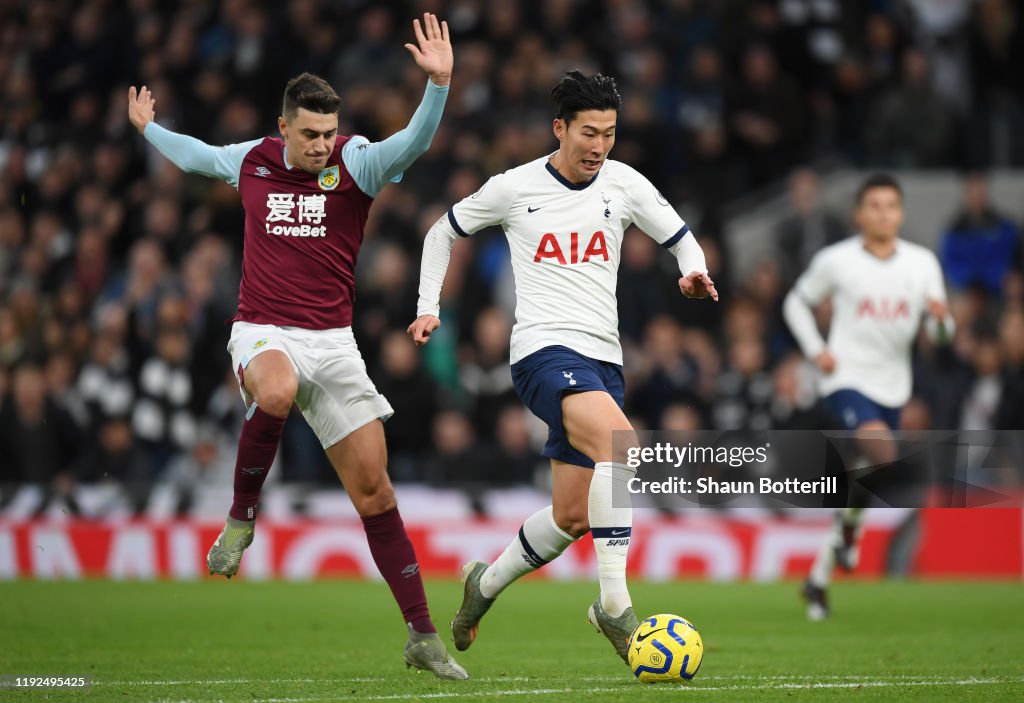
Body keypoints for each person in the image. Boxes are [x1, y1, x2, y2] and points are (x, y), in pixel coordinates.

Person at [127, 13, 467, 679]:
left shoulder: (356, 162)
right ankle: (240, 517)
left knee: (376, 491)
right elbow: (196, 155)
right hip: (263, 330)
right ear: (284, 127)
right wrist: (148, 131)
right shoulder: (250, 160)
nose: (321, 144)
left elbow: (414, 143)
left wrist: (438, 88)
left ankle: (422, 633)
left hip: (334, 343)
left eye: (328, 132)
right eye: (309, 133)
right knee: (276, 390)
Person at [407, 70, 717, 664]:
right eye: (588, 133)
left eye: (609, 133)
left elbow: (681, 237)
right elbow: (440, 233)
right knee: (621, 443)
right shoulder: (514, 187)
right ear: (560, 129)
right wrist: (428, 307)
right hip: (542, 353)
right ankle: (615, 606)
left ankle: (484, 585)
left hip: (604, 360)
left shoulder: (623, 183)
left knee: (574, 514)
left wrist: (691, 271)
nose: (599, 146)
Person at [783, 173, 954, 620]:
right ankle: (848, 537)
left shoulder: (922, 264)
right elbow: (795, 303)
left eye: (891, 206)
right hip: (844, 377)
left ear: (900, 212)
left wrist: (939, 321)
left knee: (867, 470)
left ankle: (821, 575)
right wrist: (817, 350)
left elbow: (941, 332)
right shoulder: (836, 260)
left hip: (893, 385)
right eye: (874, 206)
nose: (883, 214)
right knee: (881, 448)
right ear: (860, 214)